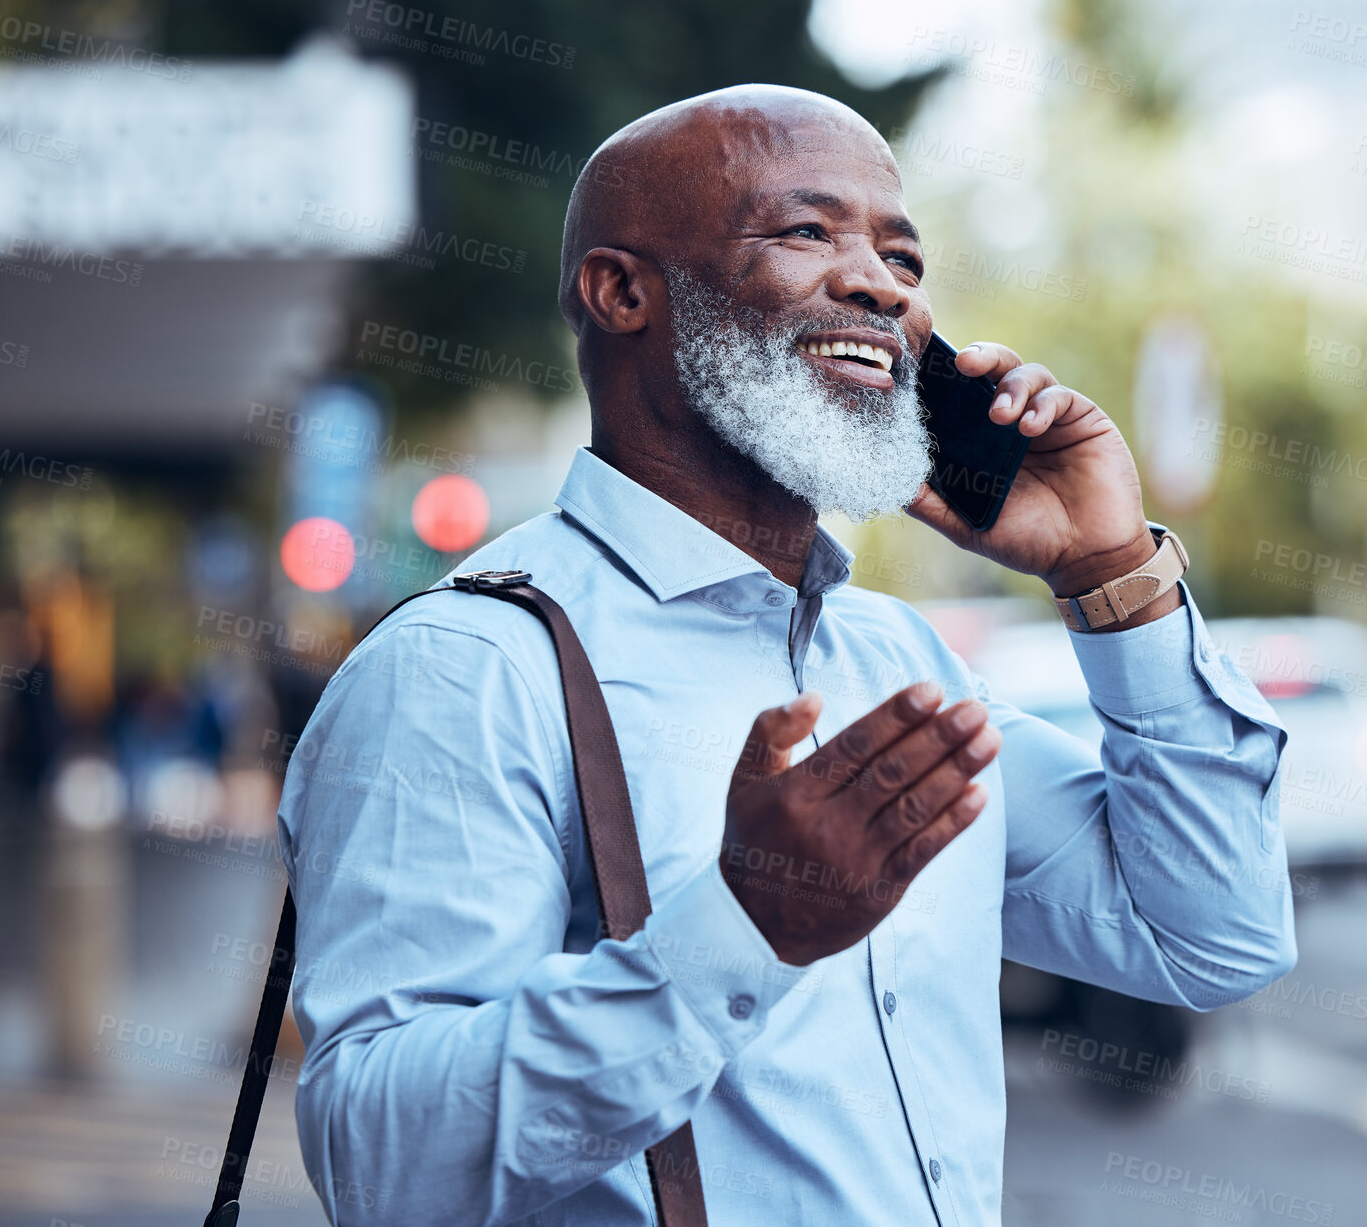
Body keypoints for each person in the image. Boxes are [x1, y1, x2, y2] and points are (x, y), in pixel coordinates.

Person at [277, 83, 1295, 1226]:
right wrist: (739, 927)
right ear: (621, 291)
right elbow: (381, 1166)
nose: (879, 283)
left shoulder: (894, 658)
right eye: (807, 232)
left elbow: (1210, 935)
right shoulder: (465, 668)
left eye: (901, 257)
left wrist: (1110, 570)